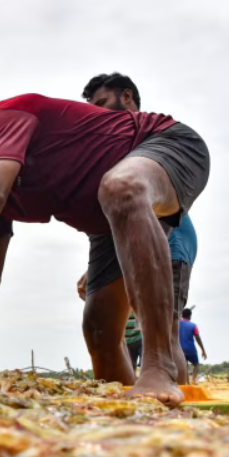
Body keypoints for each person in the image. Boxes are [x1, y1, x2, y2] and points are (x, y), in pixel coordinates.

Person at [0, 93, 209, 405]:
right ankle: (141, 419)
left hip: (167, 149)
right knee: (99, 328)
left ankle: (158, 368)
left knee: (122, 187)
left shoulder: (1, 122)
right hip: (108, 222)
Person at [78, 73, 199, 386]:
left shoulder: (150, 138)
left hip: (170, 240)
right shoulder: (117, 146)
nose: (97, 113)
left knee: (166, 331)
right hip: (145, 241)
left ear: (127, 97)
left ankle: (179, 405)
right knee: (138, 327)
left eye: (102, 103)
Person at [179, 307, 207, 383]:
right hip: (190, 349)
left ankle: (186, 381)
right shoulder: (193, 326)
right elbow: (198, 338)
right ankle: (194, 379)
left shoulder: (177, 324)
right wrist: (203, 350)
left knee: (184, 366)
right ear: (190, 316)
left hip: (180, 349)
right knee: (196, 365)